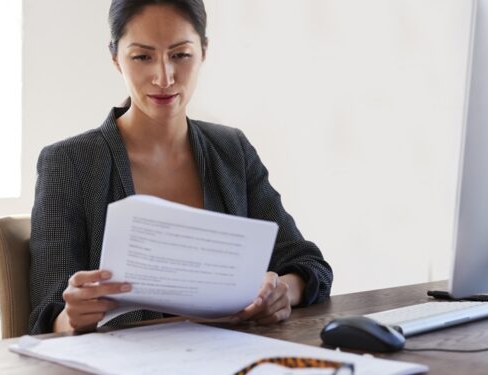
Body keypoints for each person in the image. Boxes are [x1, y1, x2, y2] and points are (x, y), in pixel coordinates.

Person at [29, 0, 333, 334]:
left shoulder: (232, 150)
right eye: (143, 56)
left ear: (203, 50)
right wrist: (73, 315)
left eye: (180, 54)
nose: (164, 77)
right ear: (116, 58)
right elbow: (46, 314)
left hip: (231, 358)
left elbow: (308, 264)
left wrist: (282, 291)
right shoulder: (68, 163)